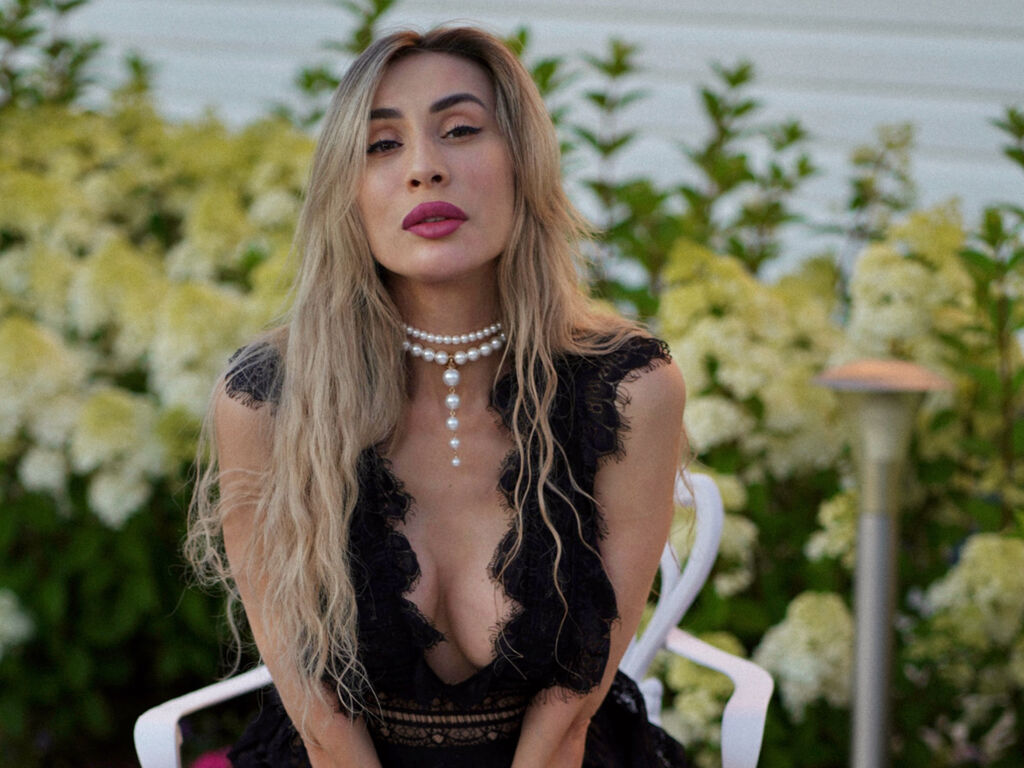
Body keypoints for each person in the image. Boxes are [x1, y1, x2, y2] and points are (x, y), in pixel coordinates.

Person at [186, 25, 689, 768]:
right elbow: (316, 713)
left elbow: (573, 706)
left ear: (522, 161)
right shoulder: (268, 401)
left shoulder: (628, 390)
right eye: (382, 145)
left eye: (460, 130)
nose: (425, 169)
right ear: (346, 192)